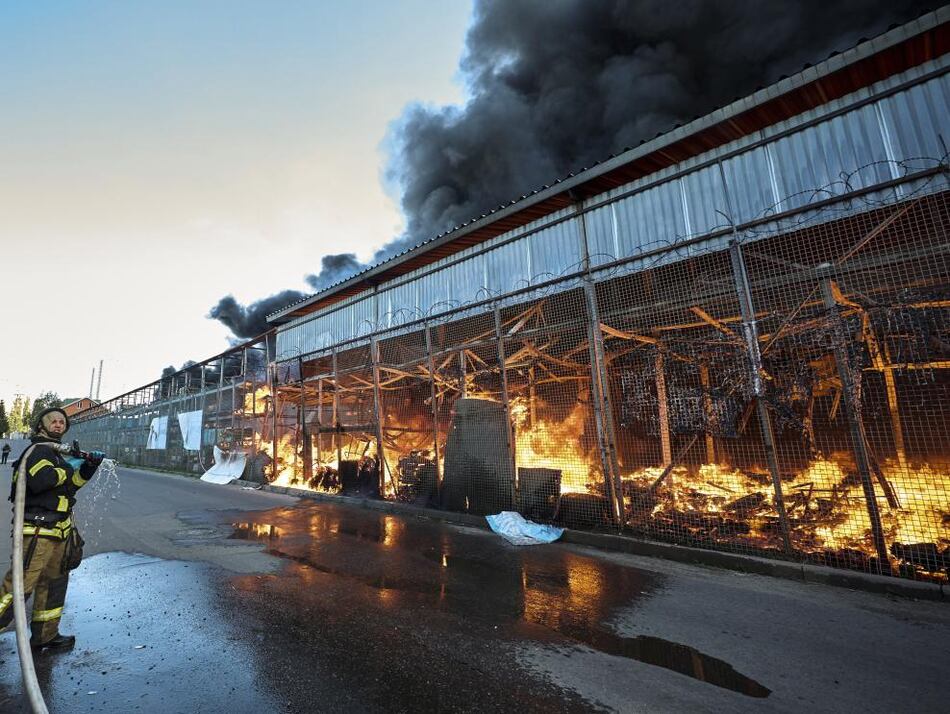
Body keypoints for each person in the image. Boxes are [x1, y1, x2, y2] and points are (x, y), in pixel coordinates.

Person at [0, 407, 104, 651]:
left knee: (54, 584)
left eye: (62, 422)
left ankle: (45, 636)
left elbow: (70, 486)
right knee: (18, 586)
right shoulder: (38, 452)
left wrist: (89, 467)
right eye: (53, 421)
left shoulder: (56, 455)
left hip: (59, 531)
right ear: (41, 426)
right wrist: (71, 465)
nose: (58, 425)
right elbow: (41, 482)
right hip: (38, 530)